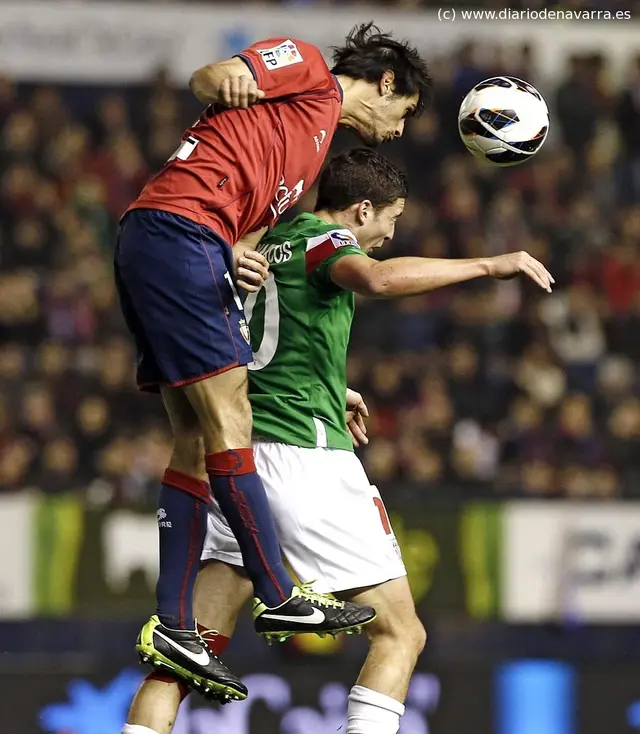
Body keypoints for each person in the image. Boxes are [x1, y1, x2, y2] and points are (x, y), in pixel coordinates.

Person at [121, 148, 554, 734]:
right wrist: (486, 265)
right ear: (362, 209)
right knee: (401, 634)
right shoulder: (328, 243)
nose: (388, 234)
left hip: (238, 459)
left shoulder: (266, 239)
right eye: (390, 221)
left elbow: (258, 341)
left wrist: (332, 388)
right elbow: (376, 278)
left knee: (185, 653)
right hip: (305, 460)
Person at [114, 23, 433, 702]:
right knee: (229, 416)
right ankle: (281, 594)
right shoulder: (311, 69)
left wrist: (237, 248)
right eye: (404, 111)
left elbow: (248, 220)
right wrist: (220, 78)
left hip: (173, 238)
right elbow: (210, 77)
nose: (400, 129)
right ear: (384, 82)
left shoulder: (311, 153)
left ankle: (175, 624)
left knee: (197, 439)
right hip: (179, 229)